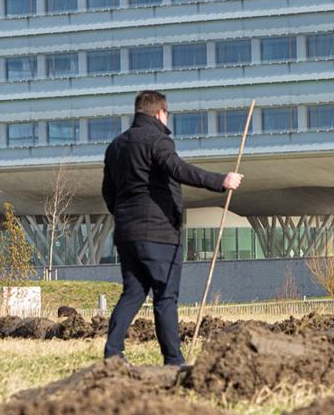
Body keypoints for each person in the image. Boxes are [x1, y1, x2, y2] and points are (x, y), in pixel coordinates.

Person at [101, 90, 243, 365]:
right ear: (159, 113)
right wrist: (221, 180)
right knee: (166, 296)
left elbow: (109, 192)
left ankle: (113, 353)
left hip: (126, 233)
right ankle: (173, 360)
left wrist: (123, 216)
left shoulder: (116, 146)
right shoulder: (158, 140)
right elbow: (178, 169)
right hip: (159, 233)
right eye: (167, 114)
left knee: (132, 293)